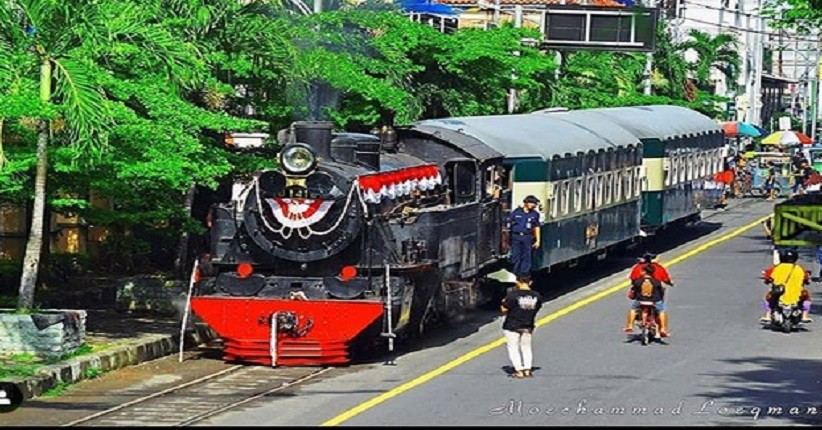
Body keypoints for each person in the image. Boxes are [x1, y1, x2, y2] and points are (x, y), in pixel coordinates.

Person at [500, 273, 543, 379]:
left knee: (513, 348)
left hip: (512, 325)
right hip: (528, 325)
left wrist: (502, 303)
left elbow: (504, 310)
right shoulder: (537, 296)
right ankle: (527, 370)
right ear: (530, 282)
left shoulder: (512, 295)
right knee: (526, 347)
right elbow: (537, 308)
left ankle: (519, 371)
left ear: (517, 282)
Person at [760, 248, 813, 323]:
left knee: (768, 298)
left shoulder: (776, 268)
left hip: (779, 292)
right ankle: (805, 316)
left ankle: (767, 315)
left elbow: (768, 277)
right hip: (797, 294)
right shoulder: (800, 269)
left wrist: (767, 280)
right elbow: (806, 278)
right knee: (807, 299)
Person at [624, 264, 669, 337]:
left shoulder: (638, 281)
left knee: (633, 309)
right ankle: (663, 328)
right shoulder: (657, 282)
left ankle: (630, 325)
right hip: (654, 301)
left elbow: (634, 292)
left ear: (644, 272)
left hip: (640, 301)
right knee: (661, 311)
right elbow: (661, 292)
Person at [507, 195, 541, 276]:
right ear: (526, 203)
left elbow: (537, 227)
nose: (534, 205)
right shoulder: (516, 212)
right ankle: (515, 273)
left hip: (527, 237)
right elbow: (509, 224)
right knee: (516, 256)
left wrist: (538, 240)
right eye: (532, 203)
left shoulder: (534, 214)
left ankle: (524, 274)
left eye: (535, 203)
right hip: (516, 237)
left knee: (526, 257)